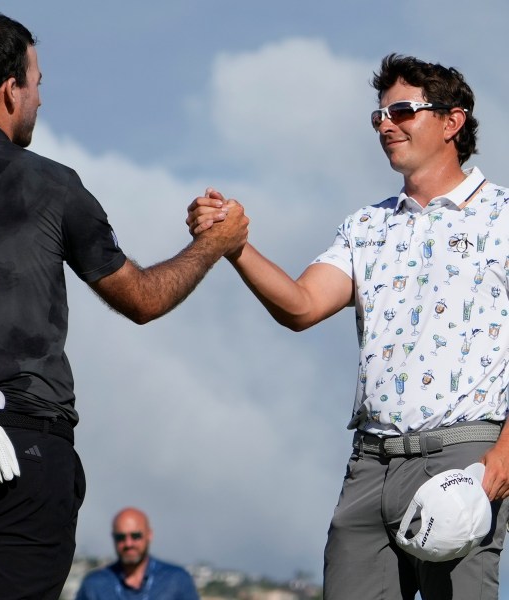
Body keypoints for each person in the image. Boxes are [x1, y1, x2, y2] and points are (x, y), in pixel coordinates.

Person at [0, 13, 248, 600]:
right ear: (9, 90)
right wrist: (212, 245)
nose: (40, 96)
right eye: (36, 82)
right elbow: (142, 298)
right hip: (19, 455)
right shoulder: (52, 183)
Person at [187, 54, 509, 599]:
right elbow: (301, 305)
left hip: (463, 455)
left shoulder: (503, 216)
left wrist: (504, 456)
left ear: (452, 121)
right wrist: (233, 246)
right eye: (379, 116)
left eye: (403, 111)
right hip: (371, 463)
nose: (386, 125)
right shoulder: (366, 226)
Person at [75, 507, 199, 600]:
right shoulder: (94, 584)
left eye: (135, 536)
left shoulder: (177, 580)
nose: (128, 543)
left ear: (149, 535)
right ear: (113, 538)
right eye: (121, 537)